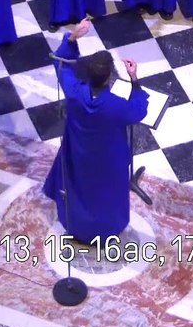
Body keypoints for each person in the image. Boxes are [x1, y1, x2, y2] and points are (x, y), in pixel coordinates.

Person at [42, 18, 150, 243]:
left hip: (78, 153)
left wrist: (72, 37)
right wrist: (134, 80)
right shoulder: (116, 105)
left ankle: (78, 226)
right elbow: (139, 110)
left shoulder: (74, 92)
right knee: (106, 196)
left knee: (79, 190)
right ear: (109, 76)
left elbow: (61, 63)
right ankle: (106, 231)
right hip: (107, 160)